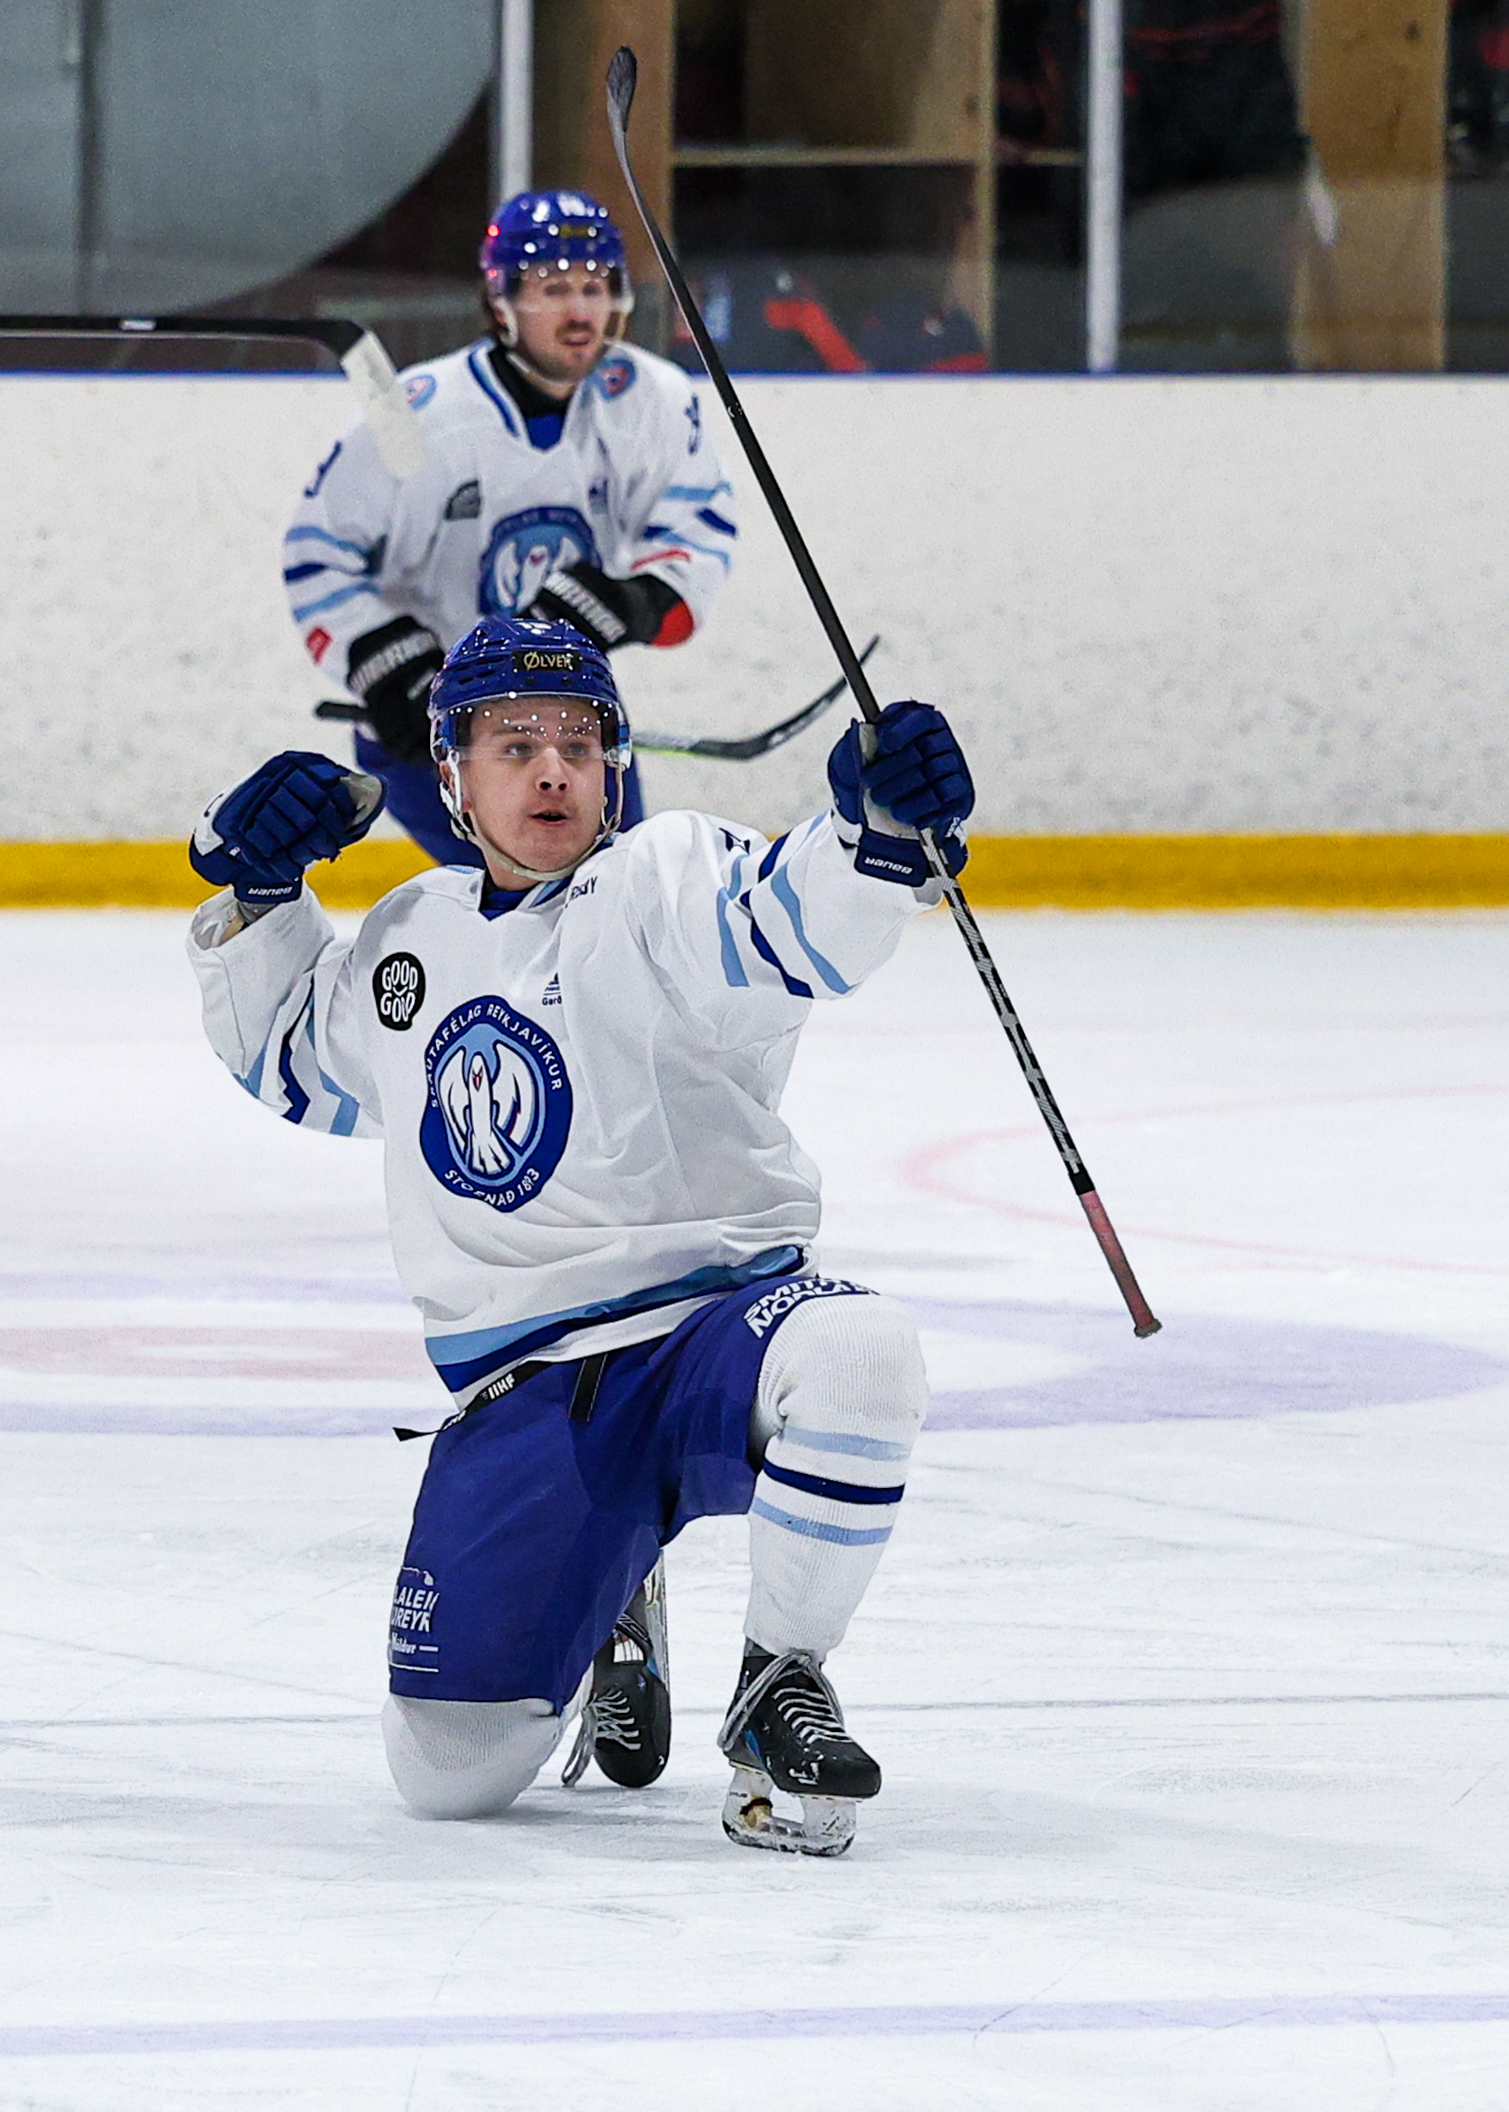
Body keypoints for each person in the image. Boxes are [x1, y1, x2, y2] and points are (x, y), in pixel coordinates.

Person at [185, 614, 974, 1856]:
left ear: (613, 764)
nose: (552, 769)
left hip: (715, 1334)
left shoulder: (664, 879)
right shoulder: (409, 935)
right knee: (450, 1773)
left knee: (861, 1352)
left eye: (578, 742)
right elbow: (294, 1063)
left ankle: (779, 1684)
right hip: (527, 1390)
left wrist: (871, 836)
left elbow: (794, 926)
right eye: (514, 745)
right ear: (451, 774)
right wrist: (259, 895)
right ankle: (616, 1593)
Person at [284, 190, 736, 867]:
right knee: (532, 905)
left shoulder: (653, 400)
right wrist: (382, 659)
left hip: (572, 717)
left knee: (618, 901)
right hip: (432, 726)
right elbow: (317, 553)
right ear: (501, 302)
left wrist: (634, 600)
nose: (580, 312)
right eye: (553, 290)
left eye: (594, 288)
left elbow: (697, 528)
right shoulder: (415, 418)